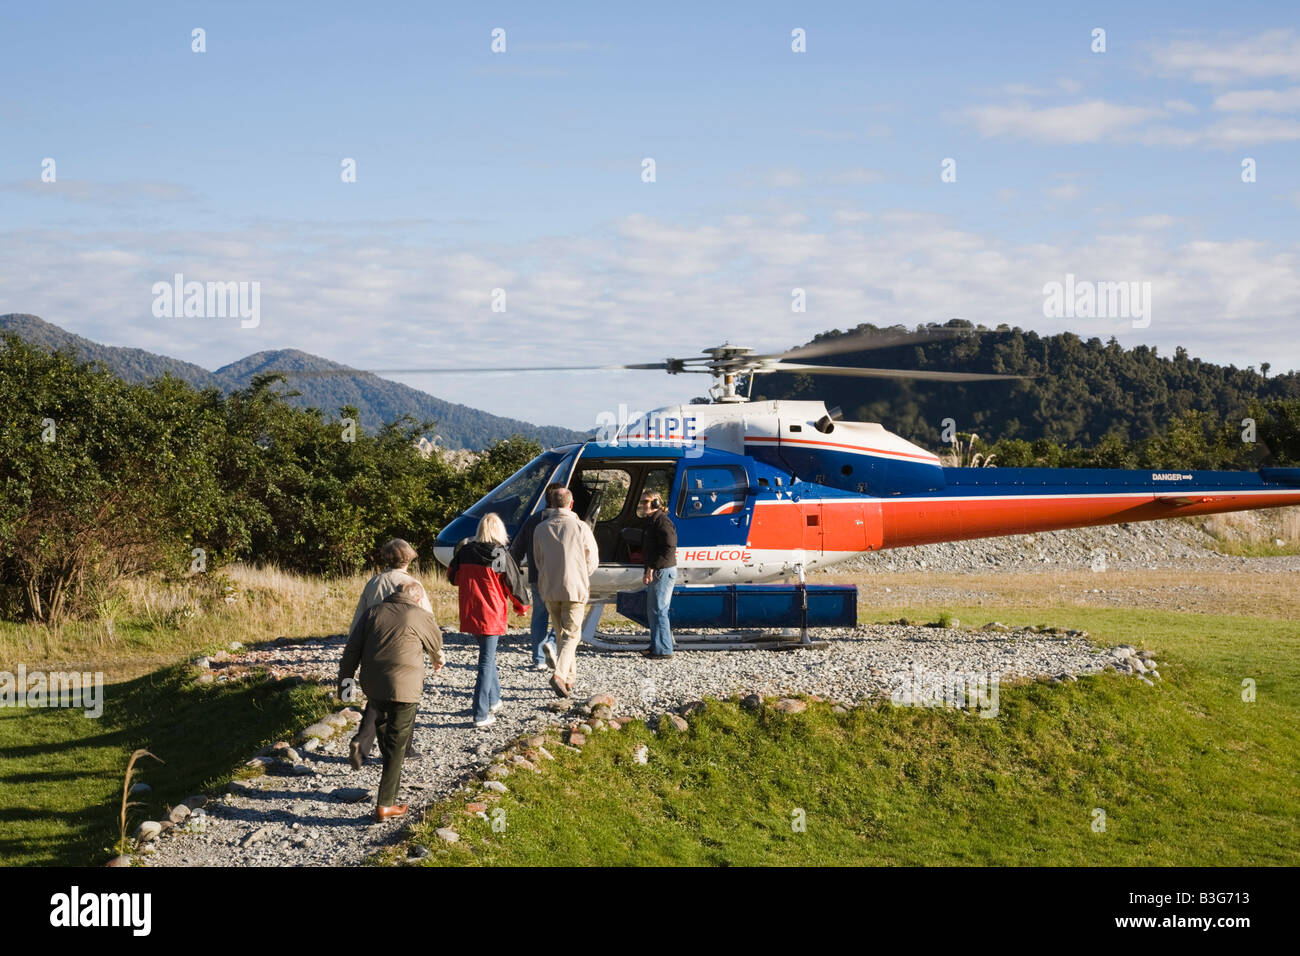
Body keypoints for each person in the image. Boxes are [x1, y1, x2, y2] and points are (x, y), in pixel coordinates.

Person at [337, 580, 444, 822]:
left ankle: (388, 783)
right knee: (397, 744)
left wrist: (345, 687)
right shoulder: (421, 615)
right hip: (405, 690)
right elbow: (436, 643)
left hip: (373, 685)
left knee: (385, 731)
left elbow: (351, 651)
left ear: (394, 595)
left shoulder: (372, 612)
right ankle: (385, 804)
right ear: (417, 599)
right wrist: (437, 658)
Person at [345, 539, 433, 770]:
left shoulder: (373, 583)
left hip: (374, 645)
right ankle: (404, 748)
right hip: (405, 646)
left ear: (387, 558)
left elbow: (360, 617)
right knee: (406, 697)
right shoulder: (413, 584)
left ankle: (362, 744)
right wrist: (434, 651)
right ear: (409, 557)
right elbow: (426, 617)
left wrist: (355, 644)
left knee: (376, 699)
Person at [446, 512, 529, 728]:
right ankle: (480, 714)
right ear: (499, 531)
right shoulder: (499, 554)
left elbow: (453, 578)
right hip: (491, 613)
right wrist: (522, 606)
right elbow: (512, 583)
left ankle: (494, 700)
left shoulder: (465, 551)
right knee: (485, 661)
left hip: (471, 611)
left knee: (487, 657)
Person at [532, 485, 599, 698]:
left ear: (551, 503)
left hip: (549, 588)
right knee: (572, 635)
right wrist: (582, 574)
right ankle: (560, 675)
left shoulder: (540, 529)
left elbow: (538, 559)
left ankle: (570, 679)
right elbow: (593, 559)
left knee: (561, 634)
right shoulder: (581, 527)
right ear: (571, 504)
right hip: (574, 587)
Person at [509, 483, 565, 672]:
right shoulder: (569, 520)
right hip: (561, 576)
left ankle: (539, 659)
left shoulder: (533, 521)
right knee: (565, 615)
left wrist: (512, 577)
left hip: (537, 575)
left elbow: (516, 551)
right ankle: (552, 642)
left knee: (540, 616)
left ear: (546, 499)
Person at [638, 490, 678, 659]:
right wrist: (648, 568)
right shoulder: (653, 522)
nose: (642, 504)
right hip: (658, 570)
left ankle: (665, 650)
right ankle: (657, 646)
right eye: (642, 501)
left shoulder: (662, 522)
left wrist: (652, 567)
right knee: (654, 610)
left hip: (663, 571)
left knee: (660, 610)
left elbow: (669, 547)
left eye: (646, 501)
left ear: (655, 503)